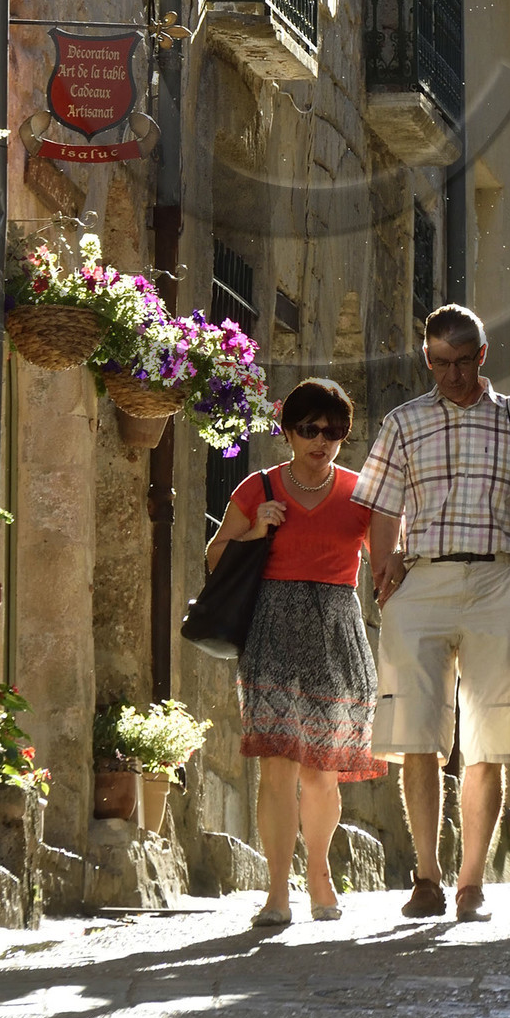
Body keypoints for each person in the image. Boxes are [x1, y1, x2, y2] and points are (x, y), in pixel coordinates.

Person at [353, 302, 510, 922]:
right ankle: (426, 877)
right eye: (441, 362)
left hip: (499, 584)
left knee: (488, 741)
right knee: (416, 734)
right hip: (421, 582)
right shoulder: (403, 422)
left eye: (464, 361)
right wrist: (385, 573)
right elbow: (382, 506)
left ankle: (471, 883)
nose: (453, 374)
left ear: (483, 355)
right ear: (427, 358)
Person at [205, 376, 386, 930]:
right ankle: (277, 891)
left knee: (320, 771)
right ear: (287, 431)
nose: (321, 441)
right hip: (273, 632)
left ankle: (320, 873)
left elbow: (388, 566)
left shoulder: (362, 493)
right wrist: (255, 530)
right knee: (277, 767)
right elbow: (214, 558)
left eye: (333, 432)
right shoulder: (257, 488)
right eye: (309, 429)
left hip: (336, 636)